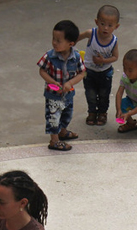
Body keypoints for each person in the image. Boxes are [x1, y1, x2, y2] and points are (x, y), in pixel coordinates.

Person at [37, 20, 85, 151]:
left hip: (68, 94)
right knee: (53, 117)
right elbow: (42, 71)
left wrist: (70, 83)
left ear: (71, 44)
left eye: (58, 40)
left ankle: (62, 132)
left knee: (67, 114)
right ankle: (54, 140)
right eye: (53, 39)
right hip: (53, 95)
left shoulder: (76, 57)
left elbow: (82, 73)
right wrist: (52, 82)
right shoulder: (49, 56)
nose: (54, 43)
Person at [77, 5, 120, 126]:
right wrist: (69, 44)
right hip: (89, 72)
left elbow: (115, 57)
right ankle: (91, 112)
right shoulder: (91, 34)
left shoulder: (114, 41)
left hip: (105, 73)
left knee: (104, 95)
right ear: (96, 22)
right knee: (90, 94)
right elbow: (77, 38)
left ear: (116, 26)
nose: (105, 28)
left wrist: (103, 60)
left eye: (110, 25)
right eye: (102, 24)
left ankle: (102, 113)